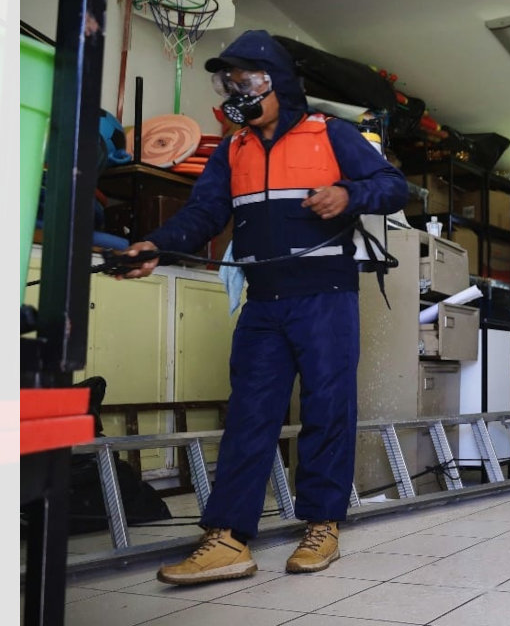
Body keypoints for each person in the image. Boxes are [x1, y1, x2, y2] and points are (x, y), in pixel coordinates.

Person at [117, 29, 407, 585]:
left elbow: (393, 186)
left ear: (280, 83)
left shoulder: (332, 133)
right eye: (229, 84)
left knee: (327, 410)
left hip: (326, 296)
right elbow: (203, 214)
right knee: (250, 416)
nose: (237, 92)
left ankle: (321, 525)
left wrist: (350, 194)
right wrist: (155, 244)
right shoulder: (233, 149)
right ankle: (228, 538)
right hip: (264, 302)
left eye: (247, 81)